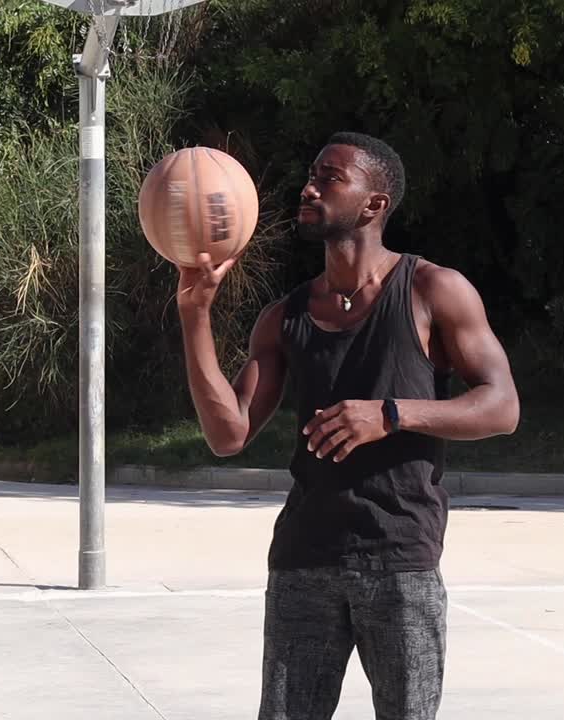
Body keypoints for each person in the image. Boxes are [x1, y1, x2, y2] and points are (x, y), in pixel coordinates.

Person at [175, 131, 520, 720]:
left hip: (399, 558)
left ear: (374, 203)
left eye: (330, 178)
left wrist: (391, 413)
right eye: (312, 174)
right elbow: (227, 434)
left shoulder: (432, 289)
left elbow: (501, 407)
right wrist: (194, 316)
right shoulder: (284, 318)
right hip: (304, 558)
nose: (309, 188)